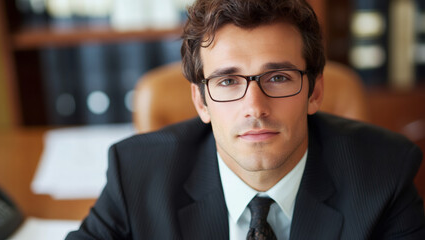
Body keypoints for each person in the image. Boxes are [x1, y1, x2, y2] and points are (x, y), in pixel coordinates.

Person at [66, 0, 425, 239]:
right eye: (227, 81)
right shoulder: (136, 173)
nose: (255, 107)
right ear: (201, 101)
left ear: (315, 92)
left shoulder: (385, 174)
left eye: (279, 77)